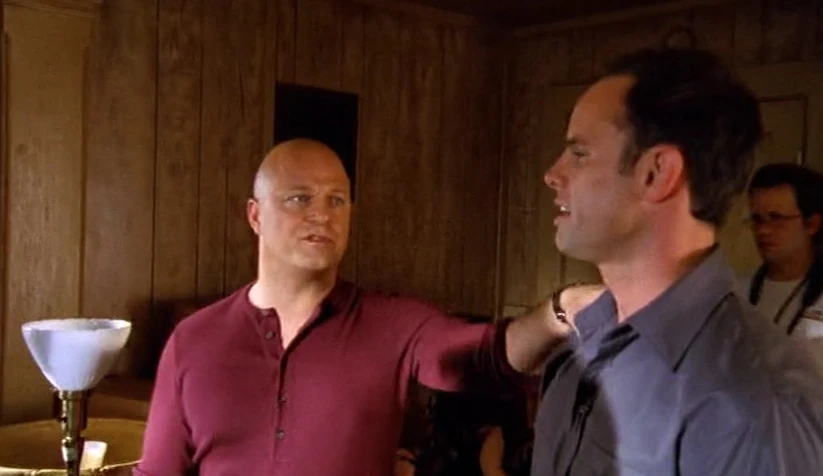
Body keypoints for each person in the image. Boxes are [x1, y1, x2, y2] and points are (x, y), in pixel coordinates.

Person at [135, 138, 602, 475]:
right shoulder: (194, 340)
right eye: (299, 198)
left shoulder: (394, 325)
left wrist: (557, 313)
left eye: (337, 200)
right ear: (255, 215)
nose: (322, 214)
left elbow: (485, 356)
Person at [534, 47, 823, 476]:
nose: (552, 174)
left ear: (656, 173)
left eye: (580, 154)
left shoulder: (749, 404)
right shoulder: (588, 342)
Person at [738, 163, 823, 364]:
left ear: (812, 224)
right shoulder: (735, 292)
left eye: (776, 218)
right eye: (757, 219)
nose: (763, 231)